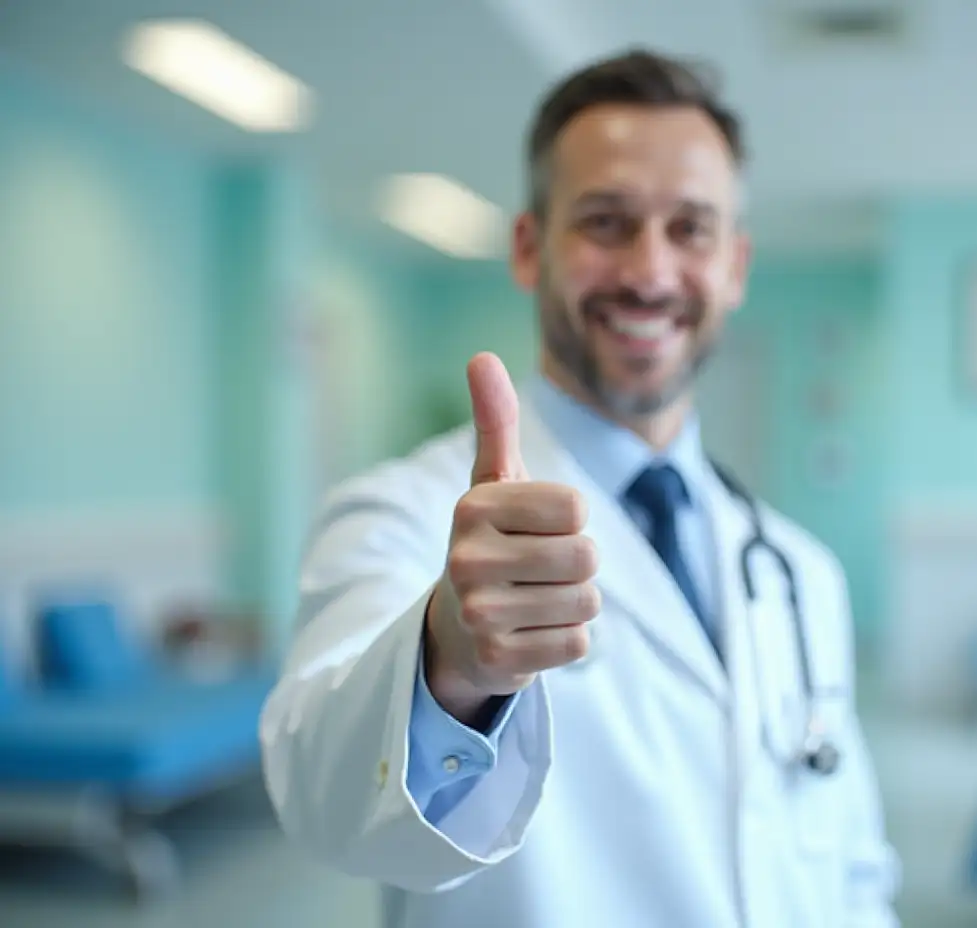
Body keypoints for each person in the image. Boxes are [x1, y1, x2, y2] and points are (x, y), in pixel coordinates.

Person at [260, 47, 900, 928]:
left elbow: (855, 868)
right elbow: (321, 801)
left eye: (691, 228)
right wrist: (450, 666)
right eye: (605, 221)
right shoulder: (403, 516)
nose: (649, 270)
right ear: (530, 247)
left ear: (736, 266)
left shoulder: (800, 571)